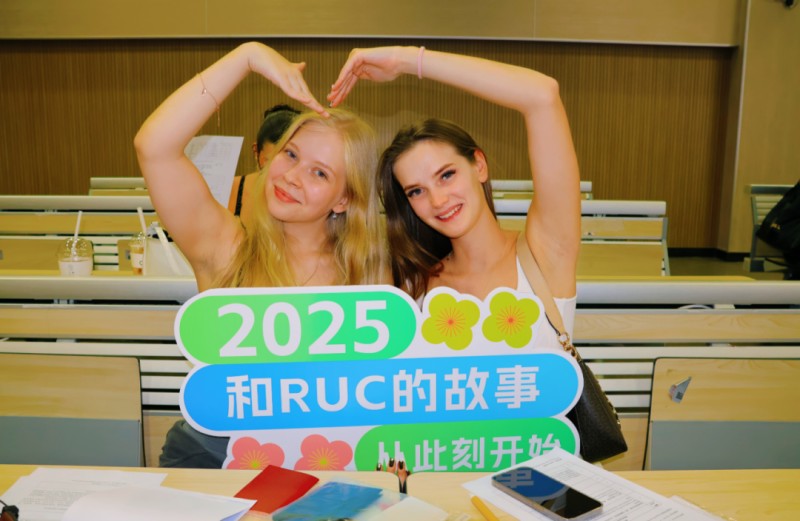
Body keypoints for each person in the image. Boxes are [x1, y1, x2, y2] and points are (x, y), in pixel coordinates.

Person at [134, 42, 388, 467]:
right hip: (212, 464)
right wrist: (246, 57)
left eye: (319, 172)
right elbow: (154, 146)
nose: (291, 177)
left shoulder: (371, 274)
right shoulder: (227, 249)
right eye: (291, 154)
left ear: (344, 199)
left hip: (325, 468)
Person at [329, 46, 581, 347]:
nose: (437, 201)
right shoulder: (414, 287)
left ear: (479, 165)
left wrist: (408, 60)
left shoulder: (545, 253)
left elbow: (542, 95)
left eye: (446, 175)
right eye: (416, 191)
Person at [227, 104, 301, 224]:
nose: (280, 174)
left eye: (289, 161)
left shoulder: (303, 197)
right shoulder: (230, 189)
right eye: (269, 162)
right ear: (256, 151)